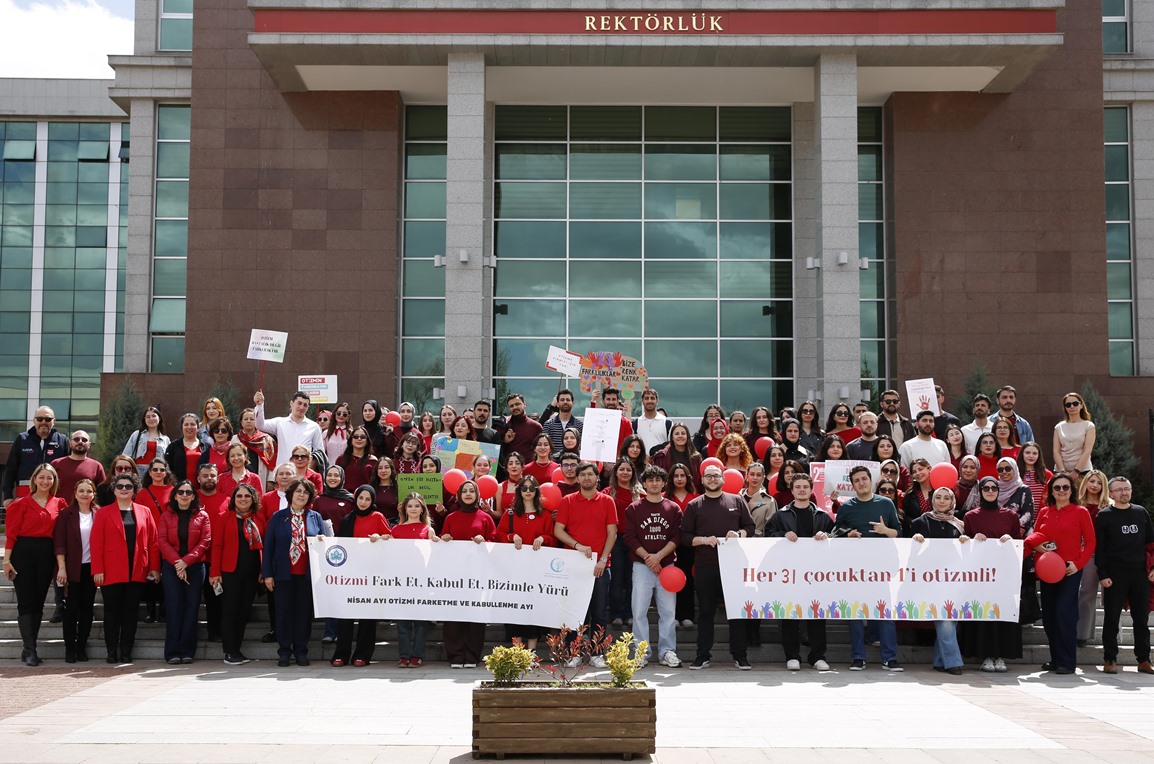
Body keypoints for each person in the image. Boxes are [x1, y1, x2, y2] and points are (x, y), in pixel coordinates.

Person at [682, 464, 755, 670]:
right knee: (705, 613)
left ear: (723, 479)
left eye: (716, 476)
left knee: (736, 613)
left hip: (733, 566)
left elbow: (750, 527)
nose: (712, 479)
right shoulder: (694, 505)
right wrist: (704, 540)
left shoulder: (737, 501)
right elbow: (685, 537)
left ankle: (740, 655)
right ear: (702, 480)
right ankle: (702, 655)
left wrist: (739, 534)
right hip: (706, 566)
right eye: (708, 476)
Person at [834, 465, 903, 671]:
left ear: (870, 480)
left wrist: (885, 530)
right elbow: (836, 531)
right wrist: (849, 534)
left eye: (864, 479)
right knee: (855, 613)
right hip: (854, 568)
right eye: (857, 480)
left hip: (881, 567)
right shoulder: (847, 507)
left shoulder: (886, 503)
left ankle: (889, 658)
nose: (861, 483)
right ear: (852, 484)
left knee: (884, 613)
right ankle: (858, 656)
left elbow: (899, 532)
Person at [1025, 473, 1096, 674]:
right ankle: (1056, 659)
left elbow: (1090, 542)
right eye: (1057, 488)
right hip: (1048, 571)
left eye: (1066, 487)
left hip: (1070, 570)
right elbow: (1037, 538)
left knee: (1065, 613)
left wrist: (1079, 564)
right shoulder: (1045, 511)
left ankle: (1067, 661)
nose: (1062, 491)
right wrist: (1040, 552)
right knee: (1049, 616)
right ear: (1051, 491)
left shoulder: (1080, 512)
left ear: (1071, 490)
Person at [766, 472, 833, 671]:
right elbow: (768, 534)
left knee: (817, 615)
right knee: (789, 615)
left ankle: (817, 656)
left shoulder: (822, 515)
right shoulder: (781, 515)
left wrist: (826, 534)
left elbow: (837, 536)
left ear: (811, 490)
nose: (802, 490)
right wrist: (782, 534)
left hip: (816, 574)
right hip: (790, 574)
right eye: (798, 487)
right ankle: (792, 656)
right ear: (792, 490)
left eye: (805, 487)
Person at [91, 471, 160, 664]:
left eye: (128, 487)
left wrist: (154, 567)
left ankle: (126, 650)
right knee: (112, 612)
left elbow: (153, 542)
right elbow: (96, 543)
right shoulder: (104, 512)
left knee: (131, 613)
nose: (123, 489)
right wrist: (97, 569)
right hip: (110, 571)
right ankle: (111, 651)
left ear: (134, 490)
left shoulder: (144, 512)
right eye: (120, 486)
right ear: (113, 489)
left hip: (137, 570)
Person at [554, 461, 618, 668]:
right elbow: (559, 530)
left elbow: (612, 533)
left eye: (591, 474)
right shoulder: (568, 500)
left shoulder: (607, 501)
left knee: (599, 611)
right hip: (573, 566)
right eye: (583, 475)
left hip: (600, 566)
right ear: (578, 478)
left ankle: (597, 652)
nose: (587, 478)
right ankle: (574, 652)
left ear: (597, 478)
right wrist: (577, 545)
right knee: (575, 611)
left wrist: (602, 559)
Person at [263, 478, 331, 666]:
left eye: (306, 492)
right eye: (298, 491)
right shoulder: (278, 516)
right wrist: (267, 574)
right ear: (291, 494)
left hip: (307, 575)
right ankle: (284, 651)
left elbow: (324, 544)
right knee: (283, 613)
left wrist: (321, 540)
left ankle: (301, 651)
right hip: (283, 574)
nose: (302, 495)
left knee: (303, 614)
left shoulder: (315, 517)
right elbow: (268, 546)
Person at [4, 464, 66, 665]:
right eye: (42, 477)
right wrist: (6, 561)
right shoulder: (20, 504)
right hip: (23, 553)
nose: (45, 481)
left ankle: (29, 647)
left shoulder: (60, 504)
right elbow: (11, 535)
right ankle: (30, 649)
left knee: (39, 602)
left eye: (49, 478)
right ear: (34, 479)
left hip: (46, 554)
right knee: (26, 601)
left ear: (54, 481)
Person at [961, 477, 1024, 673]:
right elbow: (966, 546)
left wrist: (1009, 539)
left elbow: (1018, 543)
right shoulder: (971, 516)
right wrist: (972, 539)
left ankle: (1001, 656)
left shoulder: (1010, 516)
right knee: (984, 616)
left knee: (1002, 614)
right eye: (985, 488)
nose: (989, 491)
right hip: (980, 576)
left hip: (1004, 576)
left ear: (998, 490)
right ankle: (986, 656)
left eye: (993, 488)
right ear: (980, 491)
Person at [622, 465, 682, 668]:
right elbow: (629, 537)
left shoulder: (673, 508)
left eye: (658, 480)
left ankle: (667, 652)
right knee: (638, 611)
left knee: (668, 612)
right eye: (650, 480)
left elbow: (676, 536)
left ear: (664, 483)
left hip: (667, 567)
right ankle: (641, 653)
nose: (654, 483)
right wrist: (649, 558)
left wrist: (658, 557)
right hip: (641, 566)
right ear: (644, 484)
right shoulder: (634, 508)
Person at [1097, 477, 1154, 674]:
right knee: (1111, 618)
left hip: (1139, 574)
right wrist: (1102, 574)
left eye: (1126, 488)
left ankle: (1144, 659)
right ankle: (1110, 659)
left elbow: (1150, 544)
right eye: (1119, 489)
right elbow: (1100, 549)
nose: (1124, 492)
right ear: (1111, 493)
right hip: (1114, 574)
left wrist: (1153, 567)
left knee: (1141, 619)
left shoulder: (1141, 513)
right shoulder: (1104, 516)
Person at [910, 487, 968, 675]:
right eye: (938, 498)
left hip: (953, 580)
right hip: (930, 580)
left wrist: (966, 541)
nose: (942, 501)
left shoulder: (959, 525)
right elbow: (910, 552)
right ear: (932, 501)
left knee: (950, 620)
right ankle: (953, 662)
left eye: (946, 498)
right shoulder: (920, 522)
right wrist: (915, 540)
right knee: (945, 619)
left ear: (952, 502)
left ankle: (939, 660)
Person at [330, 485, 390, 667]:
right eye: (360, 498)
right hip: (350, 575)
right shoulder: (348, 519)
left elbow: (391, 539)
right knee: (345, 617)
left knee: (367, 617)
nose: (363, 502)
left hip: (372, 575)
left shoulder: (378, 517)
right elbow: (338, 545)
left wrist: (380, 537)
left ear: (372, 501)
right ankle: (341, 653)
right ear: (355, 499)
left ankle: (363, 654)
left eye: (367, 499)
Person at [440, 479, 498, 667]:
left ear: (477, 495)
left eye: (471, 491)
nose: (467, 494)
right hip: (454, 575)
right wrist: (445, 538)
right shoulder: (451, 517)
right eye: (464, 491)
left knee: (475, 616)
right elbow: (442, 541)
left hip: (478, 574)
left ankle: (472, 656)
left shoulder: (485, 518)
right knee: (453, 616)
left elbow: (496, 543)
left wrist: (485, 540)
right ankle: (455, 655)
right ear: (458, 495)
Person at [496, 476, 555, 651]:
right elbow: (498, 535)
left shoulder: (544, 514)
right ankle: (517, 650)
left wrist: (542, 538)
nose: (528, 491)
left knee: (534, 608)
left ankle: (532, 651)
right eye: (524, 488)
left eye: (531, 488)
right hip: (514, 570)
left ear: (537, 491)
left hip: (537, 570)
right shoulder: (511, 513)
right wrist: (510, 536)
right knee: (515, 609)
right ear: (519, 491)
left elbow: (552, 537)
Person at [210, 483, 265, 665]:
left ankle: (237, 650)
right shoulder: (224, 517)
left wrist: (262, 571)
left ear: (253, 499)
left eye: (247, 496)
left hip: (251, 574)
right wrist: (214, 572)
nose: (243, 499)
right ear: (233, 499)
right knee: (230, 611)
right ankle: (229, 651)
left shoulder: (258, 519)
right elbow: (216, 546)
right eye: (239, 496)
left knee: (243, 612)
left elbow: (263, 547)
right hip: (229, 572)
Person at [158, 479, 211, 665]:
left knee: (191, 609)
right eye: (181, 492)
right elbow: (162, 541)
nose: (184, 495)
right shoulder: (166, 515)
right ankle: (172, 652)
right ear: (175, 495)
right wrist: (177, 563)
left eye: (188, 492)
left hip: (195, 568)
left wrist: (186, 562)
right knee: (173, 609)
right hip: (172, 568)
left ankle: (187, 651)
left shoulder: (203, 515)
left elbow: (205, 542)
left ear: (194, 496)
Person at [391, 493, 440, 667]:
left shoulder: (428, 530)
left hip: (421, 581)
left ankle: (417, 655)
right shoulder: (395, 530)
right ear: (404, 508)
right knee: (403, 622)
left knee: (420, 621)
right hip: (402, 581)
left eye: (416, 506)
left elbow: (433, 555)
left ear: (422, 509)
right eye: (410, 506)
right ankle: (404, 656)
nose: (413, 509)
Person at [54, 479, 100, 663]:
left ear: (94, 494)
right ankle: (70, 648)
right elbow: (59, 544)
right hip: (71, 568)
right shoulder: (66, 514)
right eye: (81, 490)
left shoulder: (99, 513)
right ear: (75, 493)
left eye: (88, 491)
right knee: (71, 609)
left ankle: (82, 646)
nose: (85, 494)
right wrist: (62, 568)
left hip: (91, 568)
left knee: (87, 609)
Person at [3, 405, 69, 507]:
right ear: (34, 420)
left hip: (53, 496)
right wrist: (7, 496)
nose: (43, 422)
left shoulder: (63, 441)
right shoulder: (22, 439)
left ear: (54, 421)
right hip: (25, 494)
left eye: (47, 419)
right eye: (39, 419)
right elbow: (11, 469)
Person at [1076, 469, 1112, 648]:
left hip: (1109, 555)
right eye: (1092, 481)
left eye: (1099, 482)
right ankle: (1081, 634)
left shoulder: (1110, 505)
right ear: (1086, 483)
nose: (1095, 485)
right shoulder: (1077, 504)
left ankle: (1114, 635)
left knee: (1112, 596)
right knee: (1086, 592)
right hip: (1088, 554)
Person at [603, 457, 641, 627]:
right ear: (615, 472)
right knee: (617, 578)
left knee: (633, 579)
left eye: (628, 470)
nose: (625, 472)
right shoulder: (607, 492)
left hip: (635, 541)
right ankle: (617, 613)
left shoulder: (640, 493)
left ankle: (630, 613)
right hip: (615, 540)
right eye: (621, 469)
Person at [666, 462, 699, 628]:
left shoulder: (696, 497)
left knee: (688, 580)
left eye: (682, 475)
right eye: (676, 476)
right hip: (669, 545)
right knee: (670, 580)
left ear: (688, 478)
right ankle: (673, 615)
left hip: (688, 546)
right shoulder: (665, 497)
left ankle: (687, 615)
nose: (679, 479)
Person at [254, 389, 324, 465]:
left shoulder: (314, 427)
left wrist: (311, 467)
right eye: (299, 403)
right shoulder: (279, 423)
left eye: (305, 405)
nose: (301, 407)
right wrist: (260, 406)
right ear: (291, 403)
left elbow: (320, 451)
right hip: (283, 472)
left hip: (304, 472)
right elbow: (260, 425)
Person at [495, 393, 544, 474]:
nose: (515, 407)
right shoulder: (503, 425)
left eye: (517, 404)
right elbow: (496, 450)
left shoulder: (536, 426)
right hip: (509, 473)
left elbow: (542, 449)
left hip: (530, 472)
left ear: (524, 404)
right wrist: (505, 441)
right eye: (511, 406)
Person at [50, 430, 107, 499]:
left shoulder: (97, 466)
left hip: (86, 509)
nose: (80, 442)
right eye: (76, 439)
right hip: (59, 509)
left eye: (84, 440)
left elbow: (103, 493)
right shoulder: (56, 464)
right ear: (70, 443)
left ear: (89, 445)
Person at [1053, 392, 1096, 477]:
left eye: (1075, 403)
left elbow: (1087, 451)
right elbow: (1056, 451)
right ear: (1065, 408)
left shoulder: (1089, 425)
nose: (1072, 407)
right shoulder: (1059, 427)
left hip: (1083, 471)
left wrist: (1076, 471)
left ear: (1081, 405)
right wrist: (1062, 471)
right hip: (1061, 472)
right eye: (1068, 405)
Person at [121, 406, 171, 479]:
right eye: (148, 417)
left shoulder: (165, 439)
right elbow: (126, 455)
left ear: (159, 418)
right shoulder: (137, 435)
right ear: (144, 420)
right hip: (139, 470)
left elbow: (167, 461)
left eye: (154, 416)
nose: (151, 419)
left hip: (157, 472)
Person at [650, 423, 702, 492]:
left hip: (692, 495)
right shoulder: (661, 457)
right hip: (668, 496)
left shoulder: (696, 457)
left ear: (688, 436)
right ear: (672, 437)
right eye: (677, 434)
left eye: (683, 433)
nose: (680, 436)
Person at [235, 407, 276, 486]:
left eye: (252, 419)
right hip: (240, 478)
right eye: (246, 419)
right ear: (241, 422)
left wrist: (271, 479)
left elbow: (273, 460)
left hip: (261, 477)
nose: (249, 421)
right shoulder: (234, 440)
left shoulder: (266, 440)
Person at [164, 413, 209, 483]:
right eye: (186, 424)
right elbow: (167, 469)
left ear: (198, 427)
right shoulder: (173, 446)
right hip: (180, 490)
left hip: (202, 489)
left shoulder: (206, 446)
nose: (189, 427)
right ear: (181, 427)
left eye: (192, 424)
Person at [542, 388, 584, 453]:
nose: (565, 402)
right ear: (558, 404)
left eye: (568, 400)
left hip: (573, 461)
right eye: (562, 400)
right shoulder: (548, 424)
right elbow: (545, 446)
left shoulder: (580, 425)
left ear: (573, 403)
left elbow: (581, 447)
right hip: (554, 461)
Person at [1017, 441, 1053, 515]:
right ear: (1022, 454)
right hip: (1020, 516)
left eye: (1034, 453)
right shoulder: (1015, 473)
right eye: (1027, 453)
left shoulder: (1047, 474)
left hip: (1042, 515)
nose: (1031, 456)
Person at [901, 459, 935, 536]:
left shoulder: (938, 491)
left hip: (937, 533)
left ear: (929, 469)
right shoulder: (909, 495)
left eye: (920, 469)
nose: (918, 473)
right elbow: (906, 516)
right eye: (914, 472)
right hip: (917, 534)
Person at [631, 388, 670, 454]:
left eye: (652, 398)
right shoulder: (635, 424)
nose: (649, 401)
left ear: (657, 401)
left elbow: (671, 445)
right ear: (642, 401)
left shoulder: (667, 423)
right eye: (646, 398)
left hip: (661, 462)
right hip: (641, 463)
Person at [322, 401, 354, 467]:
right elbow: (321, 453)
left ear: (348, 416)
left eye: (344, 414)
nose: (341, 416)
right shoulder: (326, 433)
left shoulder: (352, 433)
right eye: (338, 413)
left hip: (347, 468)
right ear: (335, 414)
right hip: (330, 469)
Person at [369, 457, 399, 524]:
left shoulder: (398, 488)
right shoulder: (371, 488)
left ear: (391, 469)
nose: (383, 470)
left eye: (386, 467)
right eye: (380, 468)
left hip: (393, 524)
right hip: (374, 523)